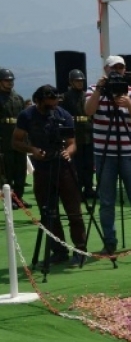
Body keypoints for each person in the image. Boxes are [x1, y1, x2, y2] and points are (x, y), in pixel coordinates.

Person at [84, 55, 131, 255]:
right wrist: (99, 89)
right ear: (105, 70)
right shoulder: (93, 90)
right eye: (114, 68)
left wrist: (129, 105)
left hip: (129, 152)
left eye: (121, 68)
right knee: (106, 200)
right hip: (104, 154)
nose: (118, 72)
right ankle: (109, 242)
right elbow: (88, 111)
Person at [12, 85, 86, 267]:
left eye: (55, 101)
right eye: (49, 102)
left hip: (65, 169)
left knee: (74, 212)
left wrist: (68, 152)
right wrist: (31, 149)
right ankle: (59, 251)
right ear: (38, 101)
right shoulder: (27, 116)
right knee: (48, 213)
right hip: (43, 169)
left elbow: (72, 143)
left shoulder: (64, 115)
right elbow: (15, 141)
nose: (54, 105)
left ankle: (80, 250)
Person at [61, 69, 96, 198]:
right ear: (71, 82)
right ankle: (77, 189)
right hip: (74, 134)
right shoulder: (65, 97)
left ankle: (88, 188)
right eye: (77, 81)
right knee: (77, 164)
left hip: (88, 133)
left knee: (89, 163)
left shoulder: (87, 95)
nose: (80, 83)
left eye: (81, 81)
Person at [0, 68, 29, 208]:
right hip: (3, 139)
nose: (10, 83)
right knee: (7, 171)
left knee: (20, 170)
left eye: (11, 80)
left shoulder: (18, 98)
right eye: (7, 80)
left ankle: (19, 197)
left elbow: (24, 120)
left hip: (18, 139)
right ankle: (9, 198)